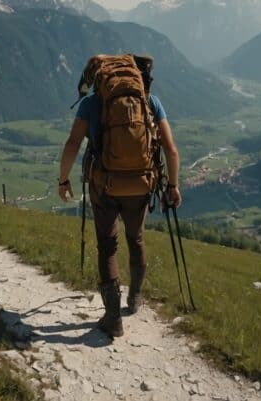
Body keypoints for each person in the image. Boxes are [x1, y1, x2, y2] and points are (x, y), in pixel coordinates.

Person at [57, 56, 181, 338]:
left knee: (107, 245)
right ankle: (135, 299)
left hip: (105, 186)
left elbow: (73, 143)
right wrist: (172, 186)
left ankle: (112, 318)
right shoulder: (150, 102)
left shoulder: (91, 103)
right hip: (141, 185)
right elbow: (171, 151)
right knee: (136, 238)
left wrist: (63, 179)